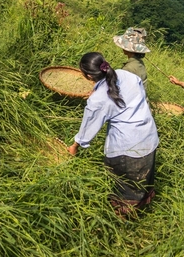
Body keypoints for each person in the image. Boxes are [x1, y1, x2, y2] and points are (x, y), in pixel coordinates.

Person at [67, 52, 159, 218]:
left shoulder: (99, 100)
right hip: (149, 138)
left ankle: (122, 226)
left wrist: (75, 146)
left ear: (88, 76)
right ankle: (140, 216)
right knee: (142, 185)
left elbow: (88, 128)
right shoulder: (126, 75)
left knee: (125, 192)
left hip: (127, 149)